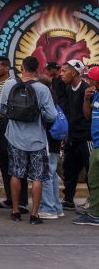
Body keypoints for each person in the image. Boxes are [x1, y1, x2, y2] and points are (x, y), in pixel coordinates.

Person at [0, 55, 58, 224]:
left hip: (14, 137)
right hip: (37, 139)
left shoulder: (9, 84)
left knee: (16, 174)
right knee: (37, 177)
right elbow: (52, 115)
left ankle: (16, 211)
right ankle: (34, 215)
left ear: (22, 68)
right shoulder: (42, 88)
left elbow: (0, 108)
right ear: (37, 70)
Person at [0, 56, 23, 212]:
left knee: (16, 162)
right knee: (3, 162)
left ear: (6, 68)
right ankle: (10, 198)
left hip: (10, 123)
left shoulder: (14, 84)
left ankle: (20, 202)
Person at [59, 59, 91, 213]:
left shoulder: (87, 90)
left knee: (91, 171)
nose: (61, 74)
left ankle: (94, 201)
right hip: (71, 138)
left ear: (74, 72)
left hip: (86, 138)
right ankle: (68, 200)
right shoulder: (67, 88)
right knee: (69, 170)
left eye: (64, 71)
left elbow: (88, 116)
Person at [71, 65, 99, 226]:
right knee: (94, 180)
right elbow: (87, 116)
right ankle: (95, 213)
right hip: (96, 143)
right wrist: (86, 99)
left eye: (91, 80)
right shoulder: (94, 95)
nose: (88, 82)